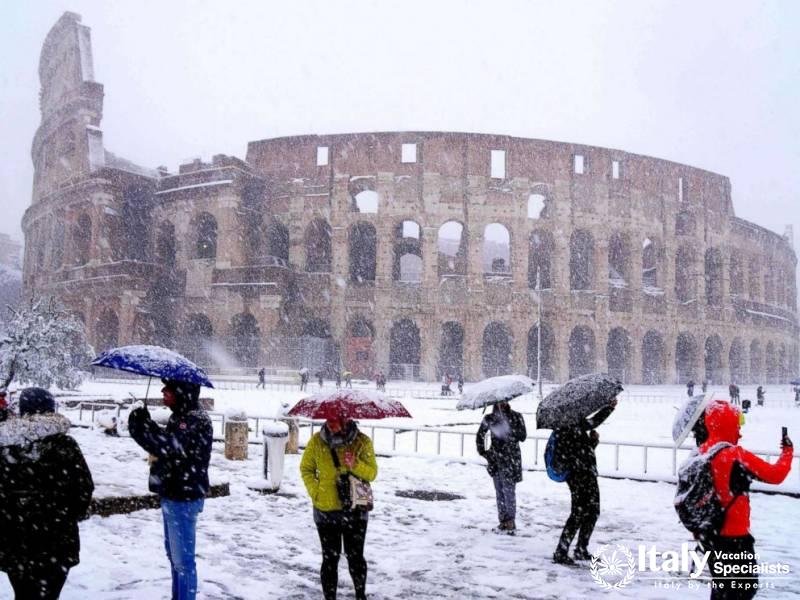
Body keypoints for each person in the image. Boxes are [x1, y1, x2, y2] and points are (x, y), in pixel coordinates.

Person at [0, 387, 94, 599]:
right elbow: (83, 487)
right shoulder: (64, 444)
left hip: (16, 540)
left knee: (23, 593)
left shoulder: (5, 447)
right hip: (56, 540)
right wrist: (66, 516)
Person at [697, 400, 792, 599]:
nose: (740, 430)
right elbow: (775, 475)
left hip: (709, 534)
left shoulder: (701, 453)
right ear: (728, 424)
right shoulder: (735, 455)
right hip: (735, 537)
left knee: (722, 586)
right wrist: (787, 452)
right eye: (737, 422)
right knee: (743, 589)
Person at [128, 380, 213, 600]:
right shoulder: (181, 416)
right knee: (175, 558)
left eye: (169, 388)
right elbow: (168, 445)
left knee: (182, 562)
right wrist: (146, 424)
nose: (163, 391)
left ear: (182, 392)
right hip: (173, 494)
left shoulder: (195, 419)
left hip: (183, 498)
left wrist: (142, 429)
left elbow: (170, 447)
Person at [300, 413, 377, 600]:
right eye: (328, 419)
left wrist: (355, 464)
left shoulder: (361, 441)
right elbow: (306, 468)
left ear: (347, 420)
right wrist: (316, 491)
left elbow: (372, 473)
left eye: (335, 420)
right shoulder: (317, 441)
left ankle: (360, 595)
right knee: (329, 559)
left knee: (355, 557)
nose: (330, 423)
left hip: (355, 510)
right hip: (325, 510)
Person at [552, 399, 618, 565]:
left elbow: (582, 449)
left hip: (586, 473)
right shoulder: (567, 426)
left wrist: (592, 442)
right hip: (579, 476)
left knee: (592, 511)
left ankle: (581, 548)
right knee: (578, 513)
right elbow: (593, 423)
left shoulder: (574, 425)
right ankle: (561, 550)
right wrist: (608, 408)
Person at [475, 401, 527, 533]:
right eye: (499, 402)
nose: (502, 404)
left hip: (511, 460)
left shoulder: (516, 416)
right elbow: (480, 435)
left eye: (504, 401)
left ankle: (510, 521)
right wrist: (484, 453)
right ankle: (503, 520)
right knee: (499, 492)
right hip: (496, 460)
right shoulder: (490, 418)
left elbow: (523, 436)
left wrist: (509, 428)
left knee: (509, 491)